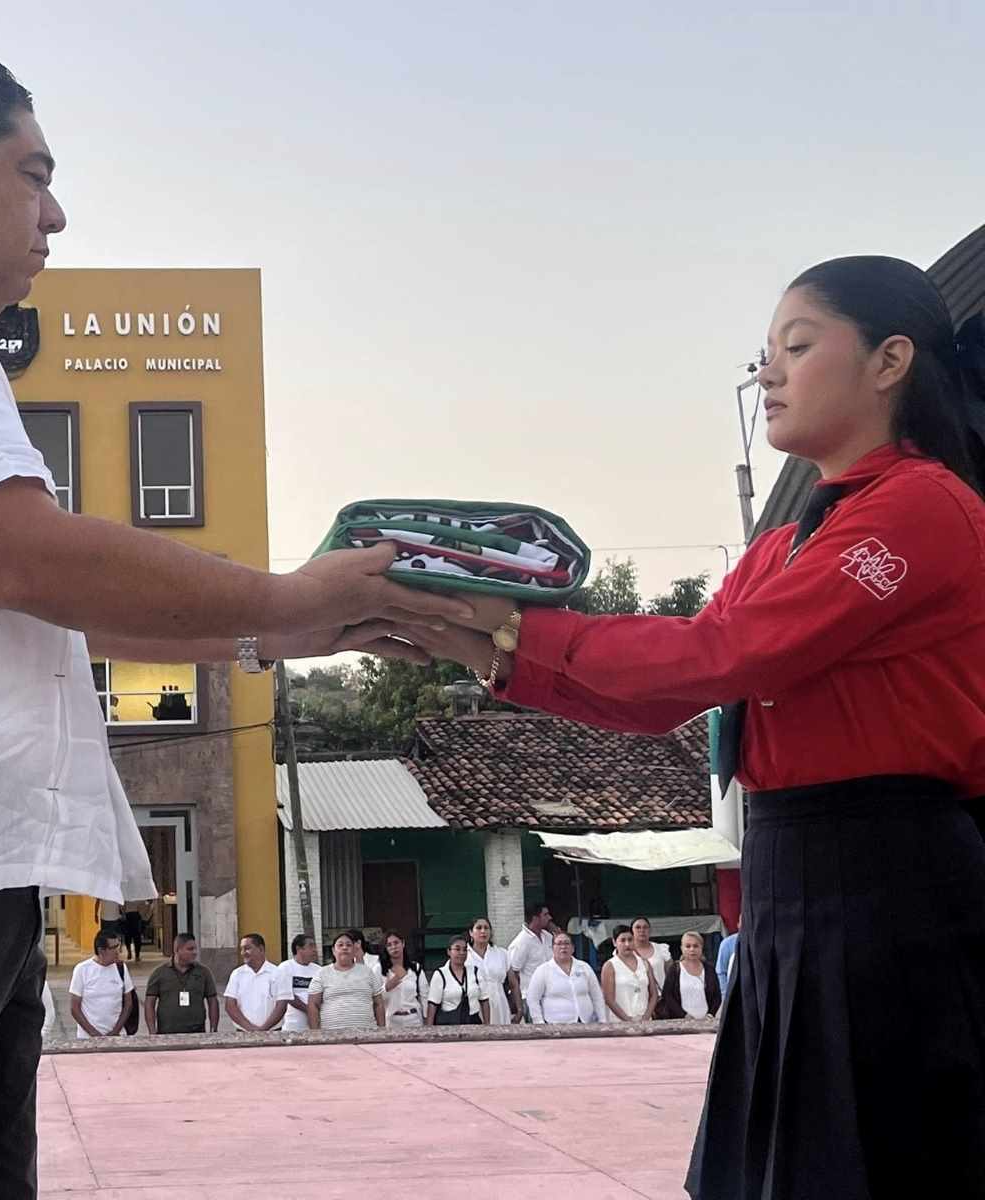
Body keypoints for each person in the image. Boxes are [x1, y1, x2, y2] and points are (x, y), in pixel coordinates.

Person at [0, 48, 470, 1200]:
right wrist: (288, 601)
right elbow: (22, 557)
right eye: (34, 173)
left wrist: (284, 630)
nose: (55, 214)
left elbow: (38, 593)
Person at [404, 255, 985, 1196]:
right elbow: (670, 690)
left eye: (798, 346)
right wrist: (481, 649)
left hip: (890, 883)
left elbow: (723, 654)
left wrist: (508, 625)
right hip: (792, 880)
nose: (768, 372)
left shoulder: (923, 506)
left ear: (890, 361)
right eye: (766, 352)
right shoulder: (782, 545)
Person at [143, 932, 218, 1035]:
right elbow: (149, 1003)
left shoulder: (203, 972)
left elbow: (212, 1001)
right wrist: (152, 1031)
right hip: (167, 1033)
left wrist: (213, 1029)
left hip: (197, 1032)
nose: (195, 952)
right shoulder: (159, 973)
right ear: (177, 950)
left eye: (195, 949)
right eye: (190, 949)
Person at [524, 932, 606, 1025]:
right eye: (559, 944)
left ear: (573, 948)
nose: (563, 947)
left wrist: (602, 1020)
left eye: (567, 943)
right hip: (555, 1025)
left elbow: (597, 996)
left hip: (586, 1023)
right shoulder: (543, 970)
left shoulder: (584, 967)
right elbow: (533, 999)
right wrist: (539, 1022)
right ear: (552, 948)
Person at [308, 932, 384, 1030]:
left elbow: (379, 1004)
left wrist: (382, 1030)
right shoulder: (322, 973)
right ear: (333, 950)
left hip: (367, 1033)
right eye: (340, 945)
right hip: (331, 1035)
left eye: (348, 945)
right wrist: (315, 1033)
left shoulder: (368, 972)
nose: (344, 948)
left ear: (354, 950)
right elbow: (313, 1005)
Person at [68, 932, 133, 1039]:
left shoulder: (121, 968)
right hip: (88, 1038)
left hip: (117, 1036)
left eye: (119, 946)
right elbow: (75, 1008)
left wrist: (115, 1031)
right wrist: (95, 1035)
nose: (118, 951)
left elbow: (128, 1003)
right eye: (113, 948)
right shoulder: (82, 970)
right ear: (101, 950)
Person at [467, 917, 521, 1026]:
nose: (483, 931)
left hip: (499, 1004)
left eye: (486, 928)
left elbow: (513, 984)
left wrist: (519, 1009)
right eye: (479, 928)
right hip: (475, 1006)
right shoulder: (465, 956)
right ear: (471, 933)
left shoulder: (501, 954)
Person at [656, 932, 721, 1021]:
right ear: (681, 948)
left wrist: (710, 1014)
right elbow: (668, 995)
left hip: (706, 1022)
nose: (692, 949)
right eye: (688, 946)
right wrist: (683, 1015)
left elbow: (717, 996)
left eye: (695, 946)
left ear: (701, 947)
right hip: (680, 1022)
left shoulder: (709, 969)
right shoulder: (675, 969)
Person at [224, 933, 282, 1033]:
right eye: (241, 949)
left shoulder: (277, 973)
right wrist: (250, 1028)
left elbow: (281, 1005)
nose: (243, 953)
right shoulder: (237, 974)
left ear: (261, 949)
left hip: (273, 1033)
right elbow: (230, 1005)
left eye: (247, 948)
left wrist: (263, 1029)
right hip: (243, 1033)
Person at [600, 925, 658, 1023]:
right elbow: (609, 999)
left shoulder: (644, 963)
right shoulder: (610, 966)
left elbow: (654, 994)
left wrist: (646, 1017)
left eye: (630, 940)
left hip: (645, 1021)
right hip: (620, 1022)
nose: (627, 944)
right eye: (622, 940)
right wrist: (628, 1020)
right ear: (614, 942)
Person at [426, 934, 489, 1025]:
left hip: (473, 1022)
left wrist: (487, 1025)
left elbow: (484, 1000)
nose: (462, 953)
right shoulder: (440, 974)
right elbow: (432, 1004)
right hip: (449, 1023)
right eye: (457, 949)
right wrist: (430, 1028)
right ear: (449, 951)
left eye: (464, 949)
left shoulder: (475, 972)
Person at [379, 930, 428, 1027]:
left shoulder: (415, 968)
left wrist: (427, 1019)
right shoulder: (379, 969)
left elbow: (424, 996)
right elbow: (375, 997)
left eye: (396, 943)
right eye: (389, 945)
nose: (394, 947)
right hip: (391, 1021)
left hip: (414, 1019)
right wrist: (388, 986)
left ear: (403, 943)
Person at [272, 934, 321, 1032]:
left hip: (316, 1024)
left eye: (315, 946)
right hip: (292, 1025)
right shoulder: (285, 967)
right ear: (299, 948)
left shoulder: (319, 970)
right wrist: (309, 1010)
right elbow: (288, 995)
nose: (315, 950)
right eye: (311, 946)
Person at [715, 920, 741, 1004]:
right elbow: (721, 972)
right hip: (733, 994)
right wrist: (726, 994)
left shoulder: (762, 942)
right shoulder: (727, 943)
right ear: (738, 925)